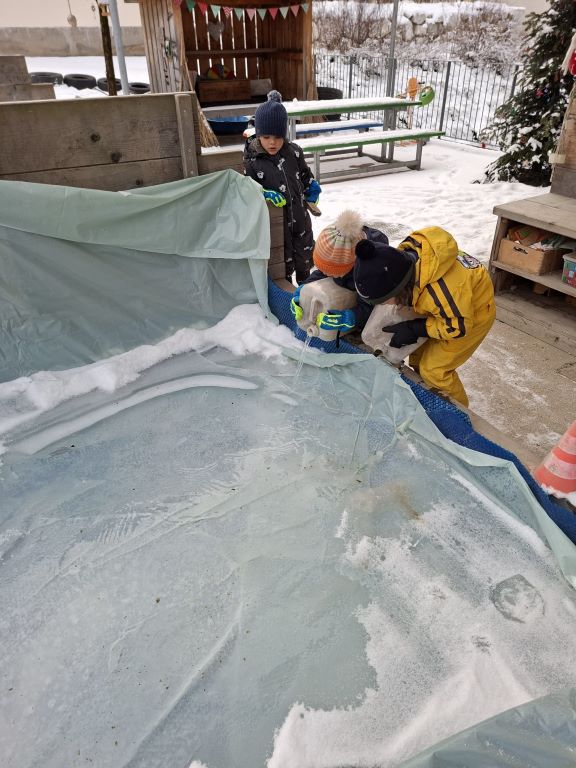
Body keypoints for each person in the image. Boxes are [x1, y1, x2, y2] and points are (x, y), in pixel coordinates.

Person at [353, 226, 496, 407]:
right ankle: (432, 395)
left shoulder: (441, 294)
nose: (384, 306)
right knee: (418, 357)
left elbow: (457, 327)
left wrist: (416, 329)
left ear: (399, 289)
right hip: (450, 307)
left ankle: (458, 413)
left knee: (434, 370)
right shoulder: (398, 262)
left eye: (384, 301)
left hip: (472, 313)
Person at [243, 90, 321, 285]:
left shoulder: (294, 152)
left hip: (300, 221)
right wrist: (262, 193)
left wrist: (311, 186)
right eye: (266, 136)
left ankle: (305, 288)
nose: (272, 142)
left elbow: (305, 175)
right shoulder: (252, 161)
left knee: (304, 262)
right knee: (281, 267)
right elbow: (246, 189)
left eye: (278, 137)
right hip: (276, 227)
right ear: (258, 133)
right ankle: (286, 293)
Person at [290, 210, 391, 333]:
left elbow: (371, 307)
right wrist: (302, 290)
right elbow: (321, 273)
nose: (325, 274)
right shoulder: (340, 249)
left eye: (331, 272)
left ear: (348, 266)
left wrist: (350, 318)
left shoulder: (370, 271)